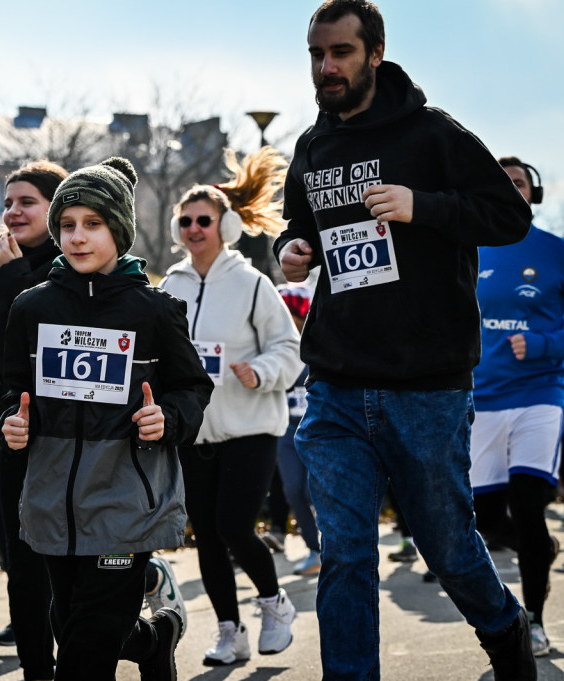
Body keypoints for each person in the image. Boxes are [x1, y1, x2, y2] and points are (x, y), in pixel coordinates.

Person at [275, 1, 535, 679]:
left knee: (449, 549)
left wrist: (425, 207)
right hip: (335, 380)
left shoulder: (431, 134)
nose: (326, 68)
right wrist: (293, 247)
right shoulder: (313, 146)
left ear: (375, 54)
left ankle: (505, 629)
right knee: (348, 554)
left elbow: (508, 214)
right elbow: (298, 224)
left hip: (426, 387)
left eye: (341, 53)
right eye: (316, 55)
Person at [0, 157, 214, 680]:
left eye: (93, 224)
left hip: (125, 501)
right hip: (53, 499)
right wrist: (10, 423)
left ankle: (139, 637)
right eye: (68, 225)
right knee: (75, 623)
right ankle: (153, 638)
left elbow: (193, 387)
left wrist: (167, 417)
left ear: (119, 230)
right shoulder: (30, 309)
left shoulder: (153, 310)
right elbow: (13, 392)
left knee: (84, 652)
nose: (78, 238)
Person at [159, 148, 303, 666]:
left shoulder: (252, 284)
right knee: (208, 536)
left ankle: (274, 603)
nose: (195, 228)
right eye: (187, 220)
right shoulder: (169, 286)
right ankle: (229, 631)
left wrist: (260, 371)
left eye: (205, 220)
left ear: (229, 225)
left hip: (251, 426)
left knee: (234, 526)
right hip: (194, 435)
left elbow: (289, 348)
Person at [0, 160, 65, 671]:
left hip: (65, 436)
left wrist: (12, 277)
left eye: (26, 202)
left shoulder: (69, 263)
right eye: (8, 203)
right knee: (20, 562)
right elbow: (2, 347)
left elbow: (44, 336)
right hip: (13, 430)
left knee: (64, 565)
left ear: (56, 207)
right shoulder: (5, 263)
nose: (13, 211)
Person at [469, 156, 564, 657]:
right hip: (480, 401)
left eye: (519, 182)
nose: (510, 188)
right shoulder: (463, 252)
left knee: (528, 506)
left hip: (538, 394)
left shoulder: (555, 253)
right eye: (500, 182)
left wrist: (546, 344)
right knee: (484, 520)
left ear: (535, 192)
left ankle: (534, 619)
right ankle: (541, 550)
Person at [274, 284, 322, 577]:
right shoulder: (274, 345)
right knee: (293, 490)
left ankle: (330, 546)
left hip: (318, 431)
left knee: (313, 491)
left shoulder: (318, 344)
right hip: (287, 430)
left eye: (290, 313)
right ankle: (314, 550)